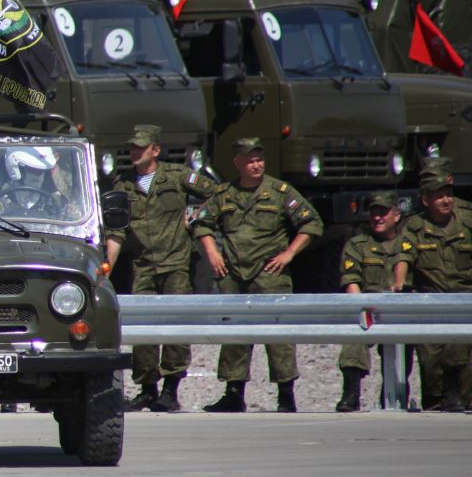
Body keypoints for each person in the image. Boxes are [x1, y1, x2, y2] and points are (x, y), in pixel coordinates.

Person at [195, 137, 323, 412]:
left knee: (277, 335)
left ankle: (286, 395)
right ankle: (233, 393)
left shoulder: (279, 191)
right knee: (235, 335)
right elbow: (201, 222)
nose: (256, 165)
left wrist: (289, 254)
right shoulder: (224, 193)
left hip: (269, 274)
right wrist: (213, 253)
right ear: (237, 163)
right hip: (233, 274)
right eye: (250, 160)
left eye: (259, 159)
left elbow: (311, 223)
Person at [101, 125, 217, 413]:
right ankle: (148, 390)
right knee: (144, 330)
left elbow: (217, 193)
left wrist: (196, 216)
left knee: (176, 328)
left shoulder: (177, 176)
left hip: (176, 263)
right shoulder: (124, 186)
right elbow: (116, 233)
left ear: (155, 149)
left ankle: (170, 391)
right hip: (143, 266)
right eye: (132, 148)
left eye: (141, 147)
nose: (134, 152)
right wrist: (106, 269)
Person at [394, 169, 472, 410]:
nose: (447, 200)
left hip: (464, 299)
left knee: (460, 356)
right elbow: (404, 256)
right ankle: (433, 401)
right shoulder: (415, 226)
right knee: (430, 358)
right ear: (426, 200)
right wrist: (399, 282)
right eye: (439, 196)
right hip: (432, 300)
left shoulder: (467, 219)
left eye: (449, 195)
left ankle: (460, 399)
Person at [337, 192, 409, 412]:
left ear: (396, 215)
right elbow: (350, 280)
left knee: (409, 350)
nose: (377, 218)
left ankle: (395, 397)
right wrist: (361, 308)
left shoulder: (406, 243)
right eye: (374, 213)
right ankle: (350, 394)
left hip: (401, 311)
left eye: (383, 213)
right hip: (367, 307)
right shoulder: (358, 244)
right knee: (354, 340)